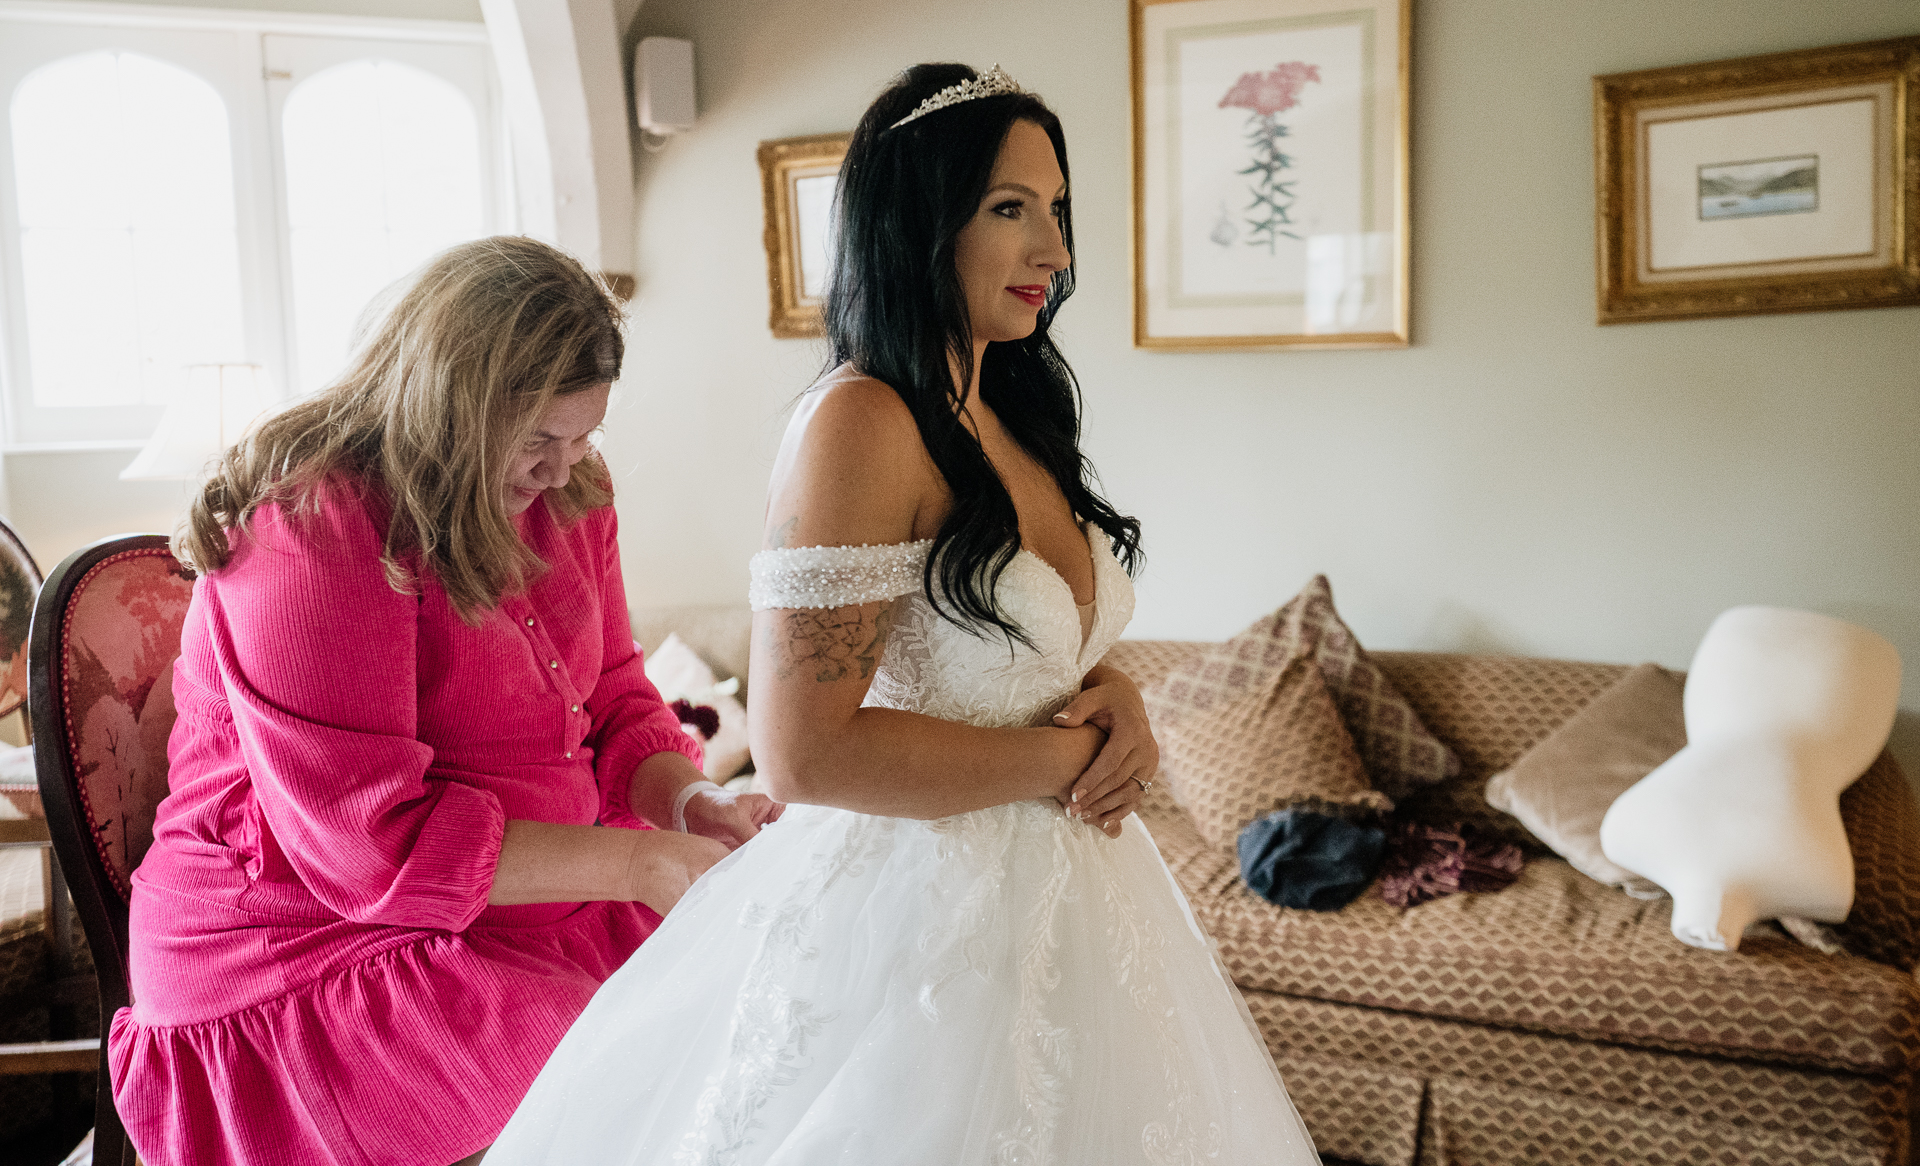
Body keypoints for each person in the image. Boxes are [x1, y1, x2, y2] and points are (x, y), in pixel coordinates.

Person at [488, 65, 1318, 1163]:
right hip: (915, 933)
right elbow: (801, 750)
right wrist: (1067, 760)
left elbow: (1040, 653)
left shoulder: (1012, 406)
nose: (1054, 252)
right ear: (920, 217)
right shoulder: (859, 421)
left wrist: (1117, 702)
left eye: (1056, 210)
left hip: (1078, 902)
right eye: (1010, 209)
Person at [109, 237, 781, 1166]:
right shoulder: (314, 525)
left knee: (768, 1029)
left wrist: (689, 804)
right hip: (310, 943)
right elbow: (369, 844)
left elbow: (620, 697)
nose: (562, 468)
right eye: (538, 439)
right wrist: (636, 869)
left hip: (527, 903)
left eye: (585, 435)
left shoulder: (572, 490)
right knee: (623, 1086)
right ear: (448, 406)